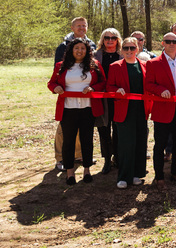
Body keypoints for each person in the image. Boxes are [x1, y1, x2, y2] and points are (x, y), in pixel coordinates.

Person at [48, 38, 105, 185]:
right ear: (71, 51)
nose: (80, 51)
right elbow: (51, 82)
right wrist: (55, 88)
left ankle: (87, 170)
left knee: (87, 140)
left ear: (87, 51)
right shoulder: (61, 66)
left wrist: (93, 88)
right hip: (68, 109)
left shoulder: (94, 65)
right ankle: (70, 172)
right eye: (76, 48)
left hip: (88, 108)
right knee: (69, 141)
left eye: (83, 48)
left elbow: (103, 82)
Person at [145, 32, 176, 190]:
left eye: (174, 41)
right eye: (168, 41)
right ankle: (159, 176)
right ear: (162, 43)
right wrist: (160, 90)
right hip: (163, 109)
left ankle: (175, 172)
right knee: (160, 145)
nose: (172, 43)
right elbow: (148, 85)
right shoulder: (153, 63)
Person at [107, 37, 151, 189]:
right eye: (126, 48)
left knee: (140, 143)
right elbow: (109, 87)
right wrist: (116, 91)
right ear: (121, 50)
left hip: (141, 110)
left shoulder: (145, 65)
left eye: (132, 48)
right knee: (126, 144)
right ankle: (124, 176)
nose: (129, 51)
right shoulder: (115, 66)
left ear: (137, 49)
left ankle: (137, 174)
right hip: (124, 111)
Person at [53, 17, 95, 171]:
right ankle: (60, 158)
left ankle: (79, 155)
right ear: (72, 27)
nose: (81, 28)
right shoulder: (63, 46)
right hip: (67, 98)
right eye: (78, 26)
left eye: (84, 25)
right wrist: (58, 87)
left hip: (85, 100)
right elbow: (57, 73)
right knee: (64, 131)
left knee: (83, 131)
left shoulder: (91, 44)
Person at [94, 28, 121, 175]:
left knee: (117, 130)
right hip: (102, 99)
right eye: (107, 38)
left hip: (118, 100)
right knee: (103, 130)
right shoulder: (95, 56)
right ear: (102, 40)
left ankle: (117, 158)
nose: (110, 40)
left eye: (113, 37)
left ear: (118, 40)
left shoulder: (123, 54)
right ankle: (106, 160)